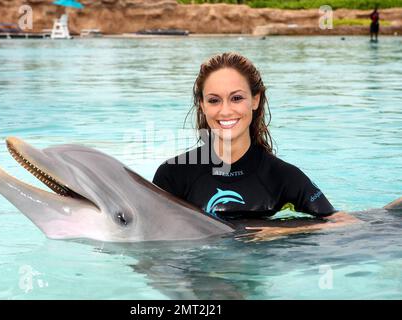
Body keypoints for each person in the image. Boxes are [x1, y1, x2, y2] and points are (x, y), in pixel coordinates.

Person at [152, 52, 357, 238]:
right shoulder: (173, 175)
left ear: (255, 100)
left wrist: (284, 231)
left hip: (253, 271)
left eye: (237, 98)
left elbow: (345, 223)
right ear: (202, 105)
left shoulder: (281, 177)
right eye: (214, 100)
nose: (225, 111)